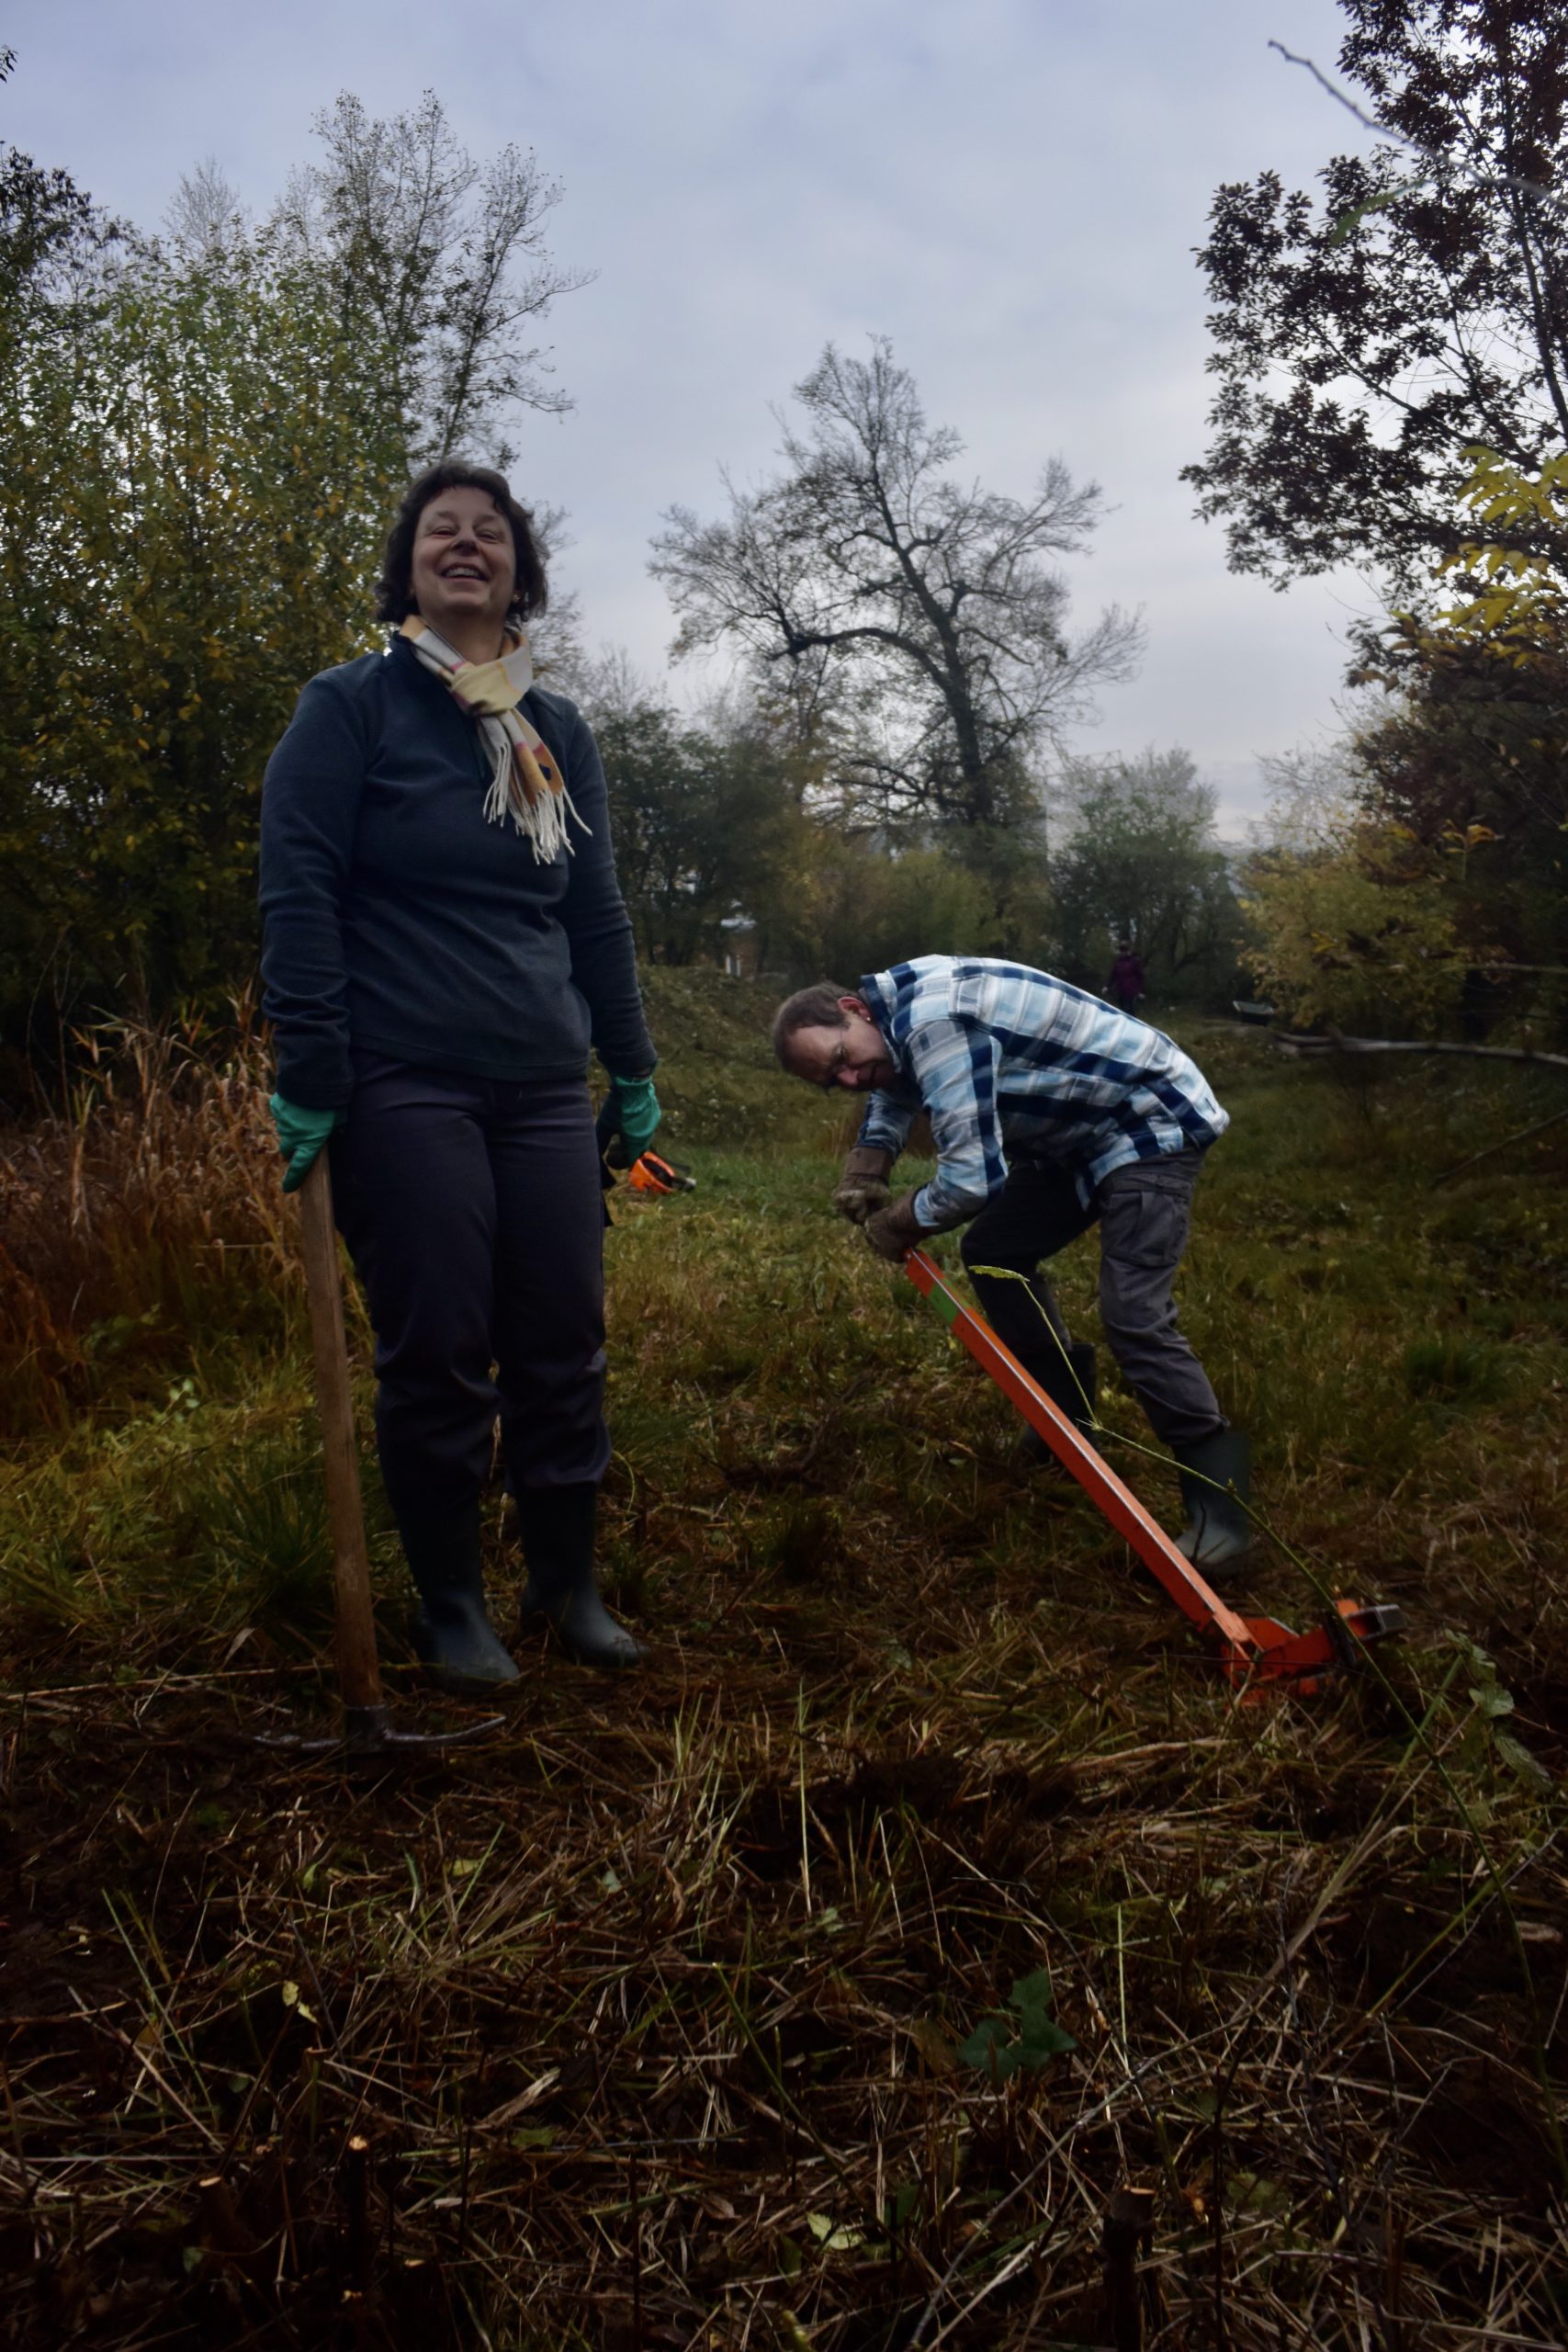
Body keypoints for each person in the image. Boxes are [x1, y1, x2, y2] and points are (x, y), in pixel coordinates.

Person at [259, 461, 659, 1694]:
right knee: (439, 1350)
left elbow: (591, 909)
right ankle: (448, 1609)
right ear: (409, 567)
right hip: (402, 1079)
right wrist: (315, 1068)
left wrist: (629, 1068)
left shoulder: (553, 727)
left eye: (490, 532)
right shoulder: (351, 709)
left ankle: (564, 1583)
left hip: (539, 1082)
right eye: (442, 531)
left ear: (519, 570)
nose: (467, 544)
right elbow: (299, 890)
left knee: (560, 1341)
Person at [772, 956, 1252, 1576]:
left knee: (1134, 1313)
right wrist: (867, 1164)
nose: (848, 1080)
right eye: (830, 1081)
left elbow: (971, 1180)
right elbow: (891, 1083)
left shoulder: (935, 1020)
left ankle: (1223, 1514)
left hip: (1147, 1123)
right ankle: (1067, 1424)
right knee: (994, 1252)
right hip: (1071, 1139)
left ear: (851, 1010)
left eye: (840, 1059)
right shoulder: (891, 1020)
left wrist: (898, 1222)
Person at [1105, 940, 1145, 1014]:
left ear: (1128, 950)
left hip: (1131, 991)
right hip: (1120, 990)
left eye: (1125, 949)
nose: (1123, 952)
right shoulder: (1117, 962)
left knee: (1130, 1011)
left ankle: (1133, 1025)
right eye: (1121, 950)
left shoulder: (1134, 961)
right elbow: (1113, 975)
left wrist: (1140, 991)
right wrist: (1107, 986)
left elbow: (1140, 977)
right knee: (1122, 1011)